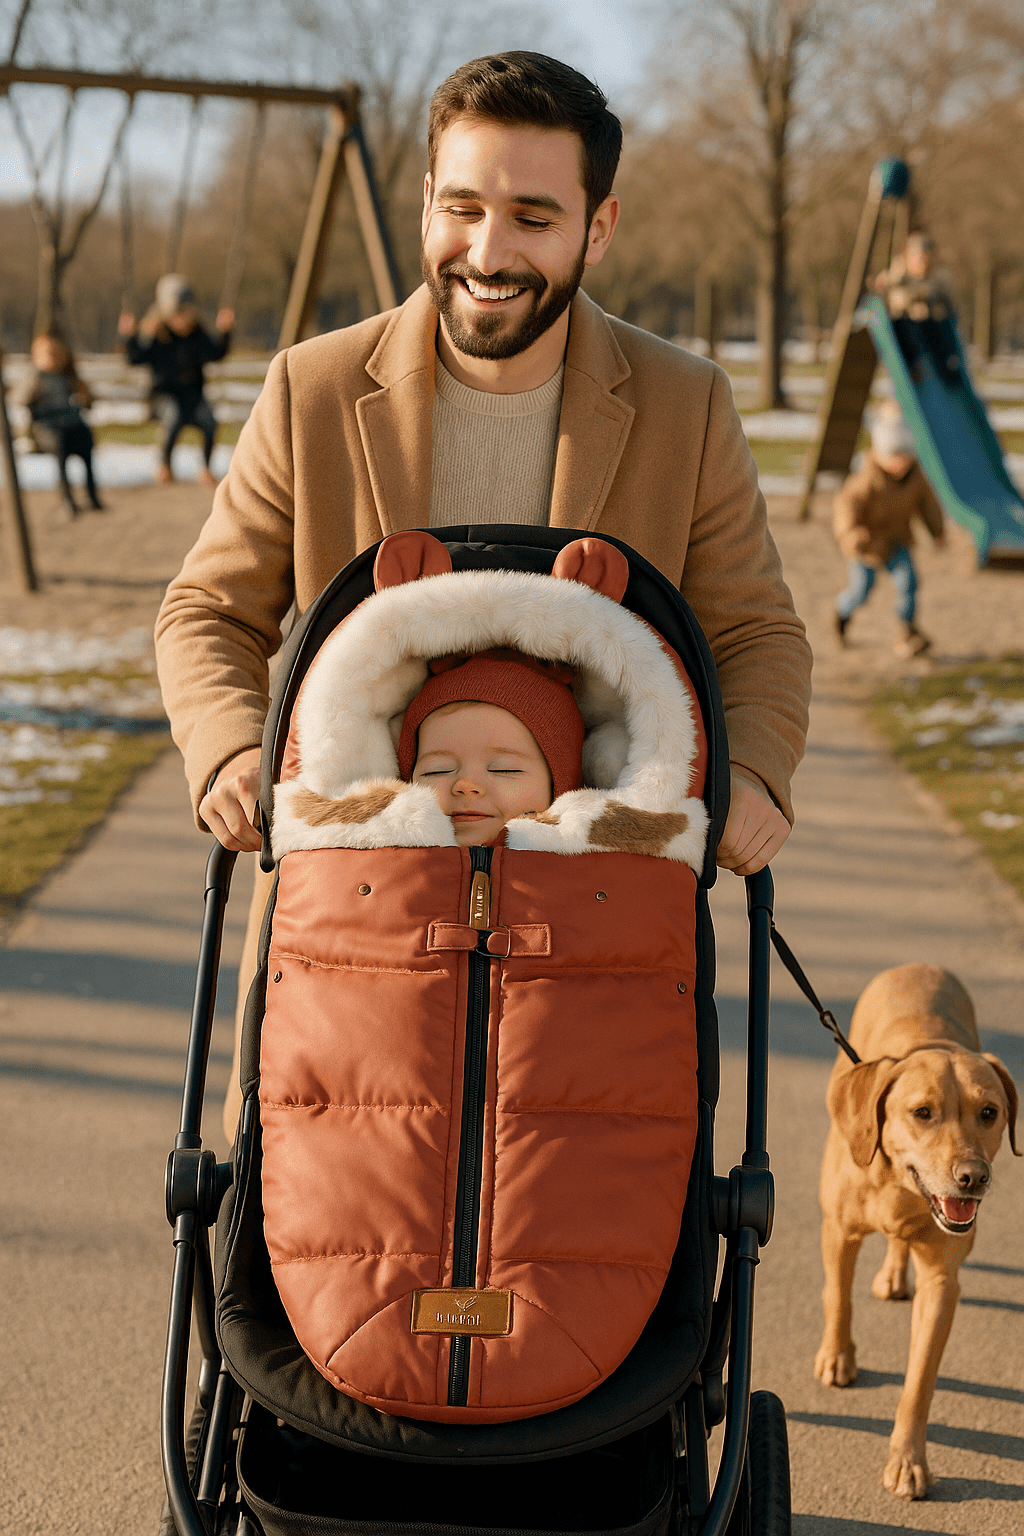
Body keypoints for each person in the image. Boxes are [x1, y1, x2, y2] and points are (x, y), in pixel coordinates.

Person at [153, 52, 813, 1139]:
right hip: (349, 919)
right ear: (425, 202)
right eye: (461, 207)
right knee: (324, 1238)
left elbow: (753, 629)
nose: (488, 250)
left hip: (595, 929)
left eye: (533, 216)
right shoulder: (313, 388)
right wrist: (232, 752)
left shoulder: (683, 404)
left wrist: (757, 771)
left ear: (598, 228)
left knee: (582, 1232)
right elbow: (208, 612)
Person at [401, 650, 585, 844]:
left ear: (560, 787)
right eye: (437, 770)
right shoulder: (378, 866)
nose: (466, 784)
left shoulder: (597, 872)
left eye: (503, 768)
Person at [833, 406, 946, 657]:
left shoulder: (916, 478)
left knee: (909, 583)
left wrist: (937, 531)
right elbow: (845, 507)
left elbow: (928, 505)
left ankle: (907, 631)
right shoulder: (866, 478)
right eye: (894, 457)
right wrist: (851, 534)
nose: (899, 464)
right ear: (880, 453)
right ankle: (842, 612)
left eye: (904, 457)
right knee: (861, 590)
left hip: (897, 541)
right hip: (867, 544)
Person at [118, 274, 233, 485]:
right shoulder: (157, 334)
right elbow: (136, 358)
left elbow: (216, 353)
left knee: (209, 421)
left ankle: (206, 468)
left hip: (193, 395)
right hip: (162, 395)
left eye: (185, 312)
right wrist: (129, 336)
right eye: (176, 313)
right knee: (173, 416)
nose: (181, 319)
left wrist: (226, 331)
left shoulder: (198, 335)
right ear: (165, 313)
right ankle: (165, 466)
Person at [16, 334, 104, 517]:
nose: (53, 358)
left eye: (57, 353)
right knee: (60, 443)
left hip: (71, 425)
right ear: (37, 356)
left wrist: (85, 396)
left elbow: (89, 402)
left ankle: (92, 496)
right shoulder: (35, 377)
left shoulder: (68, 376)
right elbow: (20, 400)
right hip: (45, 429)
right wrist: (33, 389)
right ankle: (67, 500)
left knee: (85, 438)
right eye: (49, 354)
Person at [873, 233, 962, 386]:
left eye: (927, 259)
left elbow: (941, 291)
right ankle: (911, 367)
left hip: (929, 326)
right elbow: (890, 284)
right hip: (905, 323)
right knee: (905, 329)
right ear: (908, 258)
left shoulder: (937, 275)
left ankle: (948, 364)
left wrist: (927, 296)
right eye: (918, 259)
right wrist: (885, 284)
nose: (923, 263)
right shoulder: (901, 273)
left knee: (943, 324)